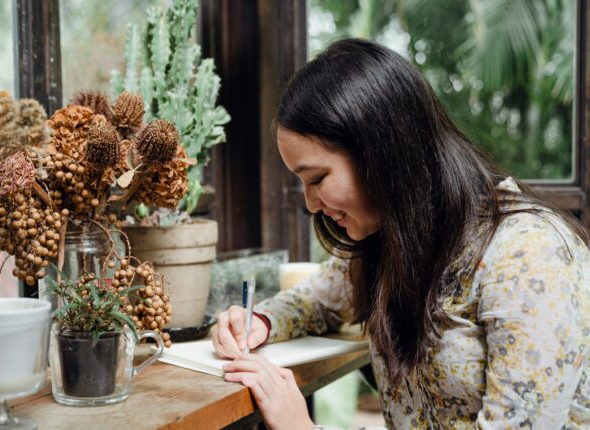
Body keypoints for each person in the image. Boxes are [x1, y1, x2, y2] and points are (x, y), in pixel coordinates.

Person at [211, 38, 590, 430]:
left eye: (317, 178)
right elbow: (320, 299)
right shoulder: (391, 238)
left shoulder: (527, 255)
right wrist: (260, 321)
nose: (310, 204)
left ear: (381, 152)